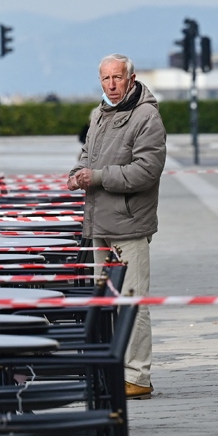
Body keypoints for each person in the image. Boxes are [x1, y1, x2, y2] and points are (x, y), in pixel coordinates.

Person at [69, 54, 167, 399]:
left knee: (133, 302)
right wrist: (77, 174)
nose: (111, 84)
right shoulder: (98, 115)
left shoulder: (146, 116)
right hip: (100, 225)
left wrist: (95, 177)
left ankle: (138, 376)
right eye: (105, 78)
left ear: (131, 78)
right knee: (107, 302)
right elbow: (86, 156)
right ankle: (114, 368)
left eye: (117, 77)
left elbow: (146, 171)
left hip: (129, 225)